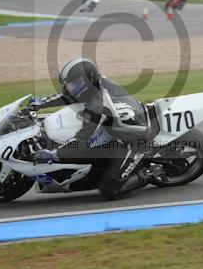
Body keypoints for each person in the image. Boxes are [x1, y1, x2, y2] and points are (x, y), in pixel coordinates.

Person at [28, 58, 157, 200]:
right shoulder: (95, 85)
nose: (69, 88)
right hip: (119, 127)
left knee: (109, 190)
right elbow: (68, 96)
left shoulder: (98, 106)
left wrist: (54, 154)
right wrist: (42, 102)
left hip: (136, 142)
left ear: (85, 82)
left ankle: (149, 172)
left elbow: (82, 139)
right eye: (68, 84)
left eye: (73, 84)